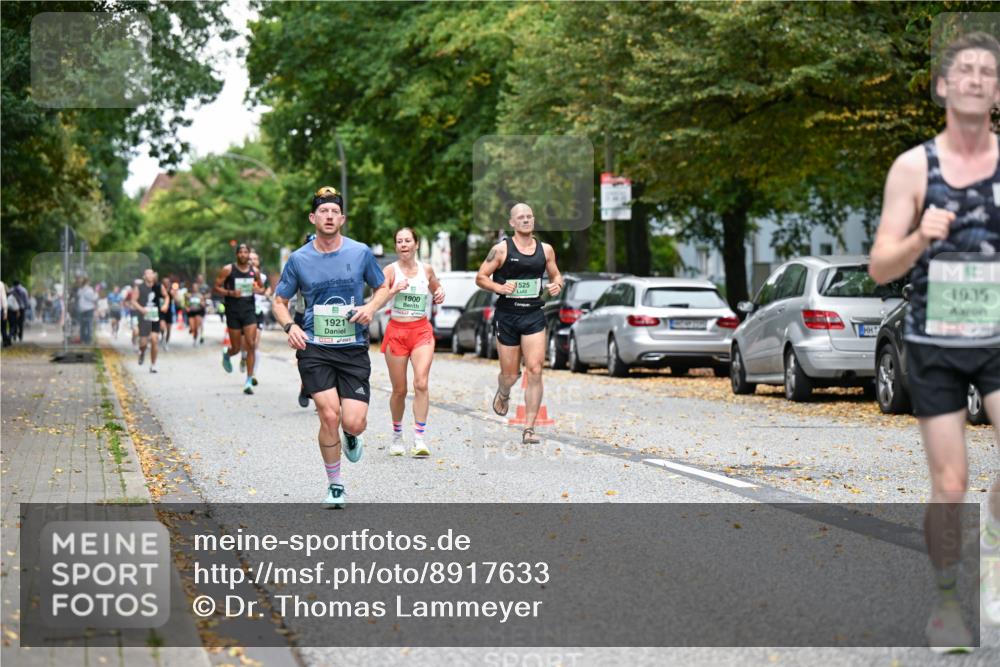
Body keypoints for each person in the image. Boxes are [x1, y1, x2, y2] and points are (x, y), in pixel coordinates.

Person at [869, 31, 1000, 653]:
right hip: (934, 341)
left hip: (998, 337)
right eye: (964, 70)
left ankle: (994, 551)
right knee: (951, 483)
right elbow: (880, 268)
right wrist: (921, 236)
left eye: (988, 72)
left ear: (997, 91)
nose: (976, 79)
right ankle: (947, 599)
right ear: (944, 86)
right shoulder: (914, 167)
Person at [272, 186, 392, 508]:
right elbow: (279, 301)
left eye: (333, 212)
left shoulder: (360, 252)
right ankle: (335, 484)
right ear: (313, 218)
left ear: (342, 218)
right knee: (328, 415)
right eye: (322, 211)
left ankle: (351, 435)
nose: (328, 216)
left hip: (352, 347)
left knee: (352, 421)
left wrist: (370, 308)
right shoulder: (298, 260)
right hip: (315, 347)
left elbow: (382, 286)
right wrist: (290, 325)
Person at [475, 203, 564, 445]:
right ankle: (503, 392)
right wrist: (499, 287)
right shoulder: (501, 250)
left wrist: (557, 284)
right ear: (512, 223)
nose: (526, 220)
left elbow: (556, 275)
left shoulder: (545, 250)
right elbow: (481, 277)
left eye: (529, 217)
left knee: (535, 369)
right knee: (510, 374)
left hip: (533, 315)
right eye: (521, 218)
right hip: (507, 316)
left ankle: (529, 428)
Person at [380, 228, 445, 457]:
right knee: (399, 389)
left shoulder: (426, 269)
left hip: (421, 331)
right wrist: (392, 290)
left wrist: (439, 294)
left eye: (408, 240)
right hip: (397, 332)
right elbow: (376, 300)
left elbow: (437, 289)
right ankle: (397, 437)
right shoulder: (390, 270)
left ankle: (419, 439)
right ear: (396, 246)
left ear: (416, 244)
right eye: (399, 241)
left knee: (421, 383)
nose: (404, 244)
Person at [214, 243, 264, 395]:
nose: (243, 254)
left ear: (249, 254)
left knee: (251, 344)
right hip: (233, 311)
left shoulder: (254, 271)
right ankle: (227, 354)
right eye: (240, 252)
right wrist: (230, 293)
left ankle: (249, 380)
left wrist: (257, 289)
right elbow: (216, 287)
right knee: (236, 348)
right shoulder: (228, 269)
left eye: (245, 252)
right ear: (237, 254)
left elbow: (262, 288)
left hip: (249, 311)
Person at [128, 269, 168, 373]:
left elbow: (166, 296)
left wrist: (165, 305)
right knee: (143, 343)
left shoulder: (159, 286)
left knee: (154, 339)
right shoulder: (139, 288)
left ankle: (153, 365)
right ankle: (141, 353)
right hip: (143, 317)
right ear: (144, 276)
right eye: (148, 273)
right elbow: (133, 301)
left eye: (152, 273)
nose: (150, 275)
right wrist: (141, 309)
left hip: (155, 317)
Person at [75, 277, 98, 345]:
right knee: (88, 325)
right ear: (87, 282)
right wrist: (96, 293)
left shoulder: (80, 289)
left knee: (82, 325)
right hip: (88, 309)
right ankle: (88, 340)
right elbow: (93, 298)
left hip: (81, 309)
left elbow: (78, 296)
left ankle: (83, 339)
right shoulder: (89, 290)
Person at [186, 278, 207, 346]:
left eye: (195, 287)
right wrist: (187, 307)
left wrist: (202, 303)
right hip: (191, 313)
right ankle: (192, 332)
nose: (194, 288)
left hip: (198, 312)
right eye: (193, 287)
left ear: (198, 288)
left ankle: (195, 339)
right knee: (192, 327)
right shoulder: (189, 295)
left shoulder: (200, 296)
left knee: (196, 328)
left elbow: (204, 304)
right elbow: (186, 304)